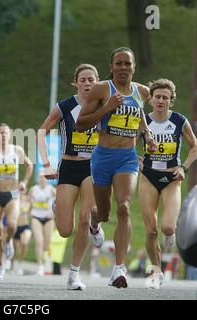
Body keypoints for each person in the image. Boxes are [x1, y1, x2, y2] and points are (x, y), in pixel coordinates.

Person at [76, 47, 157, 288]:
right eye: (118, 63)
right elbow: (81, 124)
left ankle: (118, 269)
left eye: (127, 63)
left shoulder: (142, 91)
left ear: (134, 67)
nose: (123, 67)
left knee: (123, 207)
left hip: (127, 158)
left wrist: (147, 135)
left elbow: (140, 116)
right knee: (103, 212)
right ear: (111, 67)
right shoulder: (102, 89)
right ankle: (95, 222)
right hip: (102, 157)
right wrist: (108, 106)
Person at [38, 64, 102, 290]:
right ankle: (59, 206)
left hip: (92, 167)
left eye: (91, 80)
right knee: (65, 230)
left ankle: (74, 274)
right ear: (75, 82)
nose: (87, 84)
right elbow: (42, 130)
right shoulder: (65, 106)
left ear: (97, 81)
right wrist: (46, 164)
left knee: (85, 218)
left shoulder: (104, 106)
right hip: (68, 166)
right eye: (83, 80)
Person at [138, 79, 197, 289]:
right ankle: (156, 271)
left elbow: (195, 146)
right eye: (157, 97)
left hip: (172, 178)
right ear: (151, 99)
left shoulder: (179, 121)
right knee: (151, 230)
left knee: (168, 227)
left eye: (165, 97)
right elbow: (126, 144)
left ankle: (170, 234)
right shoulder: (143, 121)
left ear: (171, 101)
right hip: (148, 176)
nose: (161, 101)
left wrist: (184, 168)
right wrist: (133, 158)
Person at [0, 123, 33, 280]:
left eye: (6, 133)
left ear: (10, 135)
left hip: (13, 194)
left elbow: (29, 165)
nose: (3, 135)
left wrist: (24, 182)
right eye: (1, 133)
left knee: (11, 225)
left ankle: (9, 241)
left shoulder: (17, 150)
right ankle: (0, 266)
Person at [29, 175, 56, 276]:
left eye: (43, 177)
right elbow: (28, 201)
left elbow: (59, 202)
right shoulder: (33, 189)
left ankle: (46, 263)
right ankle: (40, 266)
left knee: (47, 244)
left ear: (47, 179)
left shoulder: (52, 190)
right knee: (39, 241)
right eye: (40, 177)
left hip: (48, 218)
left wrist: (53, 213)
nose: (41, 179)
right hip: (36, 217)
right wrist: (29, 208)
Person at [12, 190, 32, 275]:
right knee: (14, 249)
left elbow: (33, 211)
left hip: (25, 226)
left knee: (24, 243)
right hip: (15, 226)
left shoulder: (28, 200)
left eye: (23, 191)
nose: (21, 193)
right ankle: (12, 266)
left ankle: (20, 264)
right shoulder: (14, 200)